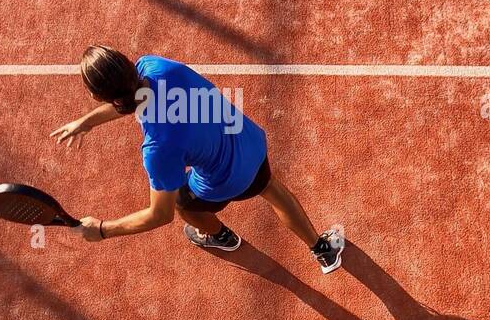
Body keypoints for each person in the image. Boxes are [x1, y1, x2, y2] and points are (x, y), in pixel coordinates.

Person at [50, 46, 345, 273]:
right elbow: (133, 98)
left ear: (98, 97)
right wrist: (88, 122)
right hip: (250, 143)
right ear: (129, 63)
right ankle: (322, 249)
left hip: (226, 180)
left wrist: (102, 229)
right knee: (272, 190)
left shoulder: (158, 148)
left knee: (181, 203)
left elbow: (158, 215)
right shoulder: (158, 67)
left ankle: (221, 236)